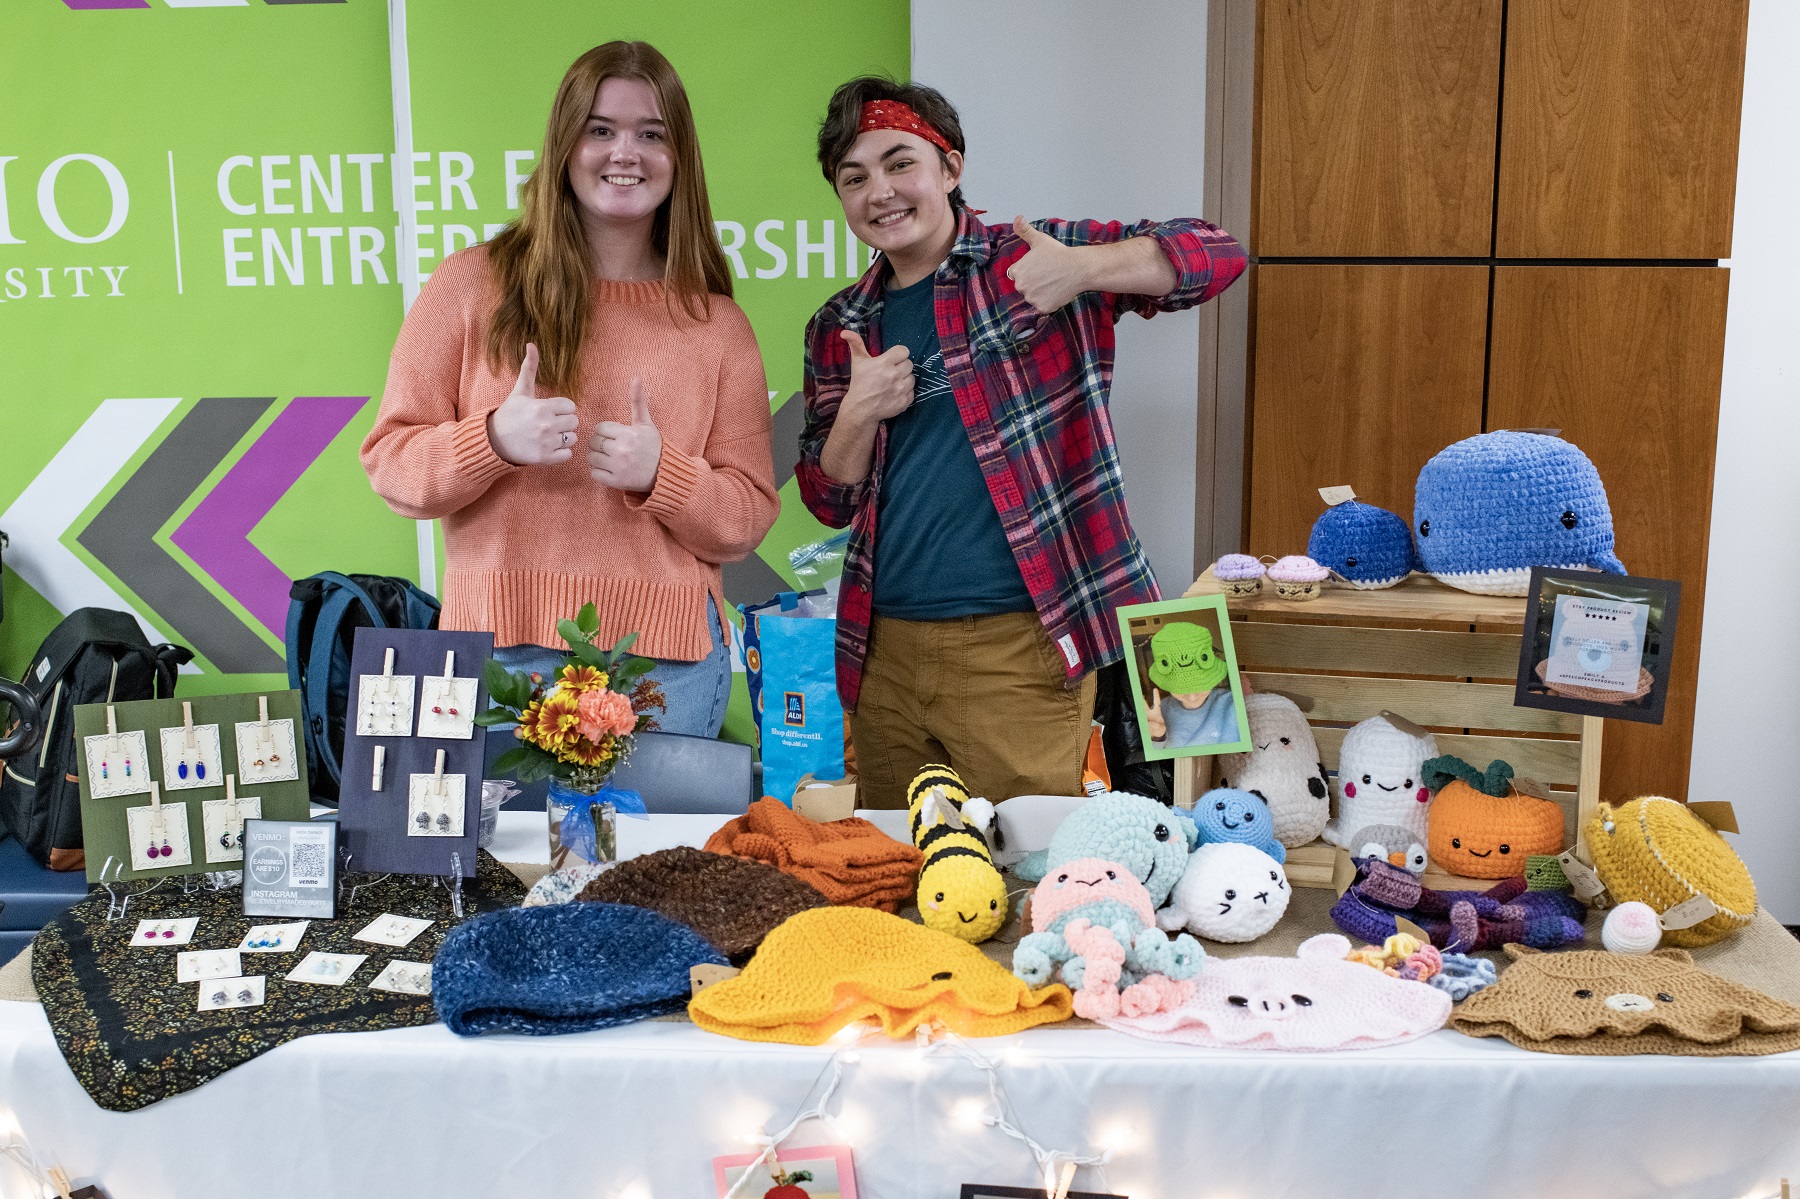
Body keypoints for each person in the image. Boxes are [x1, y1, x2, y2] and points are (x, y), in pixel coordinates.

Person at [796, 78, 1246, 809]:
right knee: (902, 872)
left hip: (1018, 645)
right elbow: (828, 498)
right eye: (854, 177)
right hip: (883, 654)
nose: (879, 191)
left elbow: (1217, 255)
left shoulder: (1031, 259)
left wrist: (1084, 269)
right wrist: (858, 413)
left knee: (1029, 874)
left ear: (950, 168)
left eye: (899, 162)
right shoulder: (839, 323)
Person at [362, 41, 778, 739]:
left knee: (661, 857)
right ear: (564, 145)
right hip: (496, 664)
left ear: (680, 159)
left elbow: (747, 515)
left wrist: (664, 474)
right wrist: (491, 439)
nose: (626, 153)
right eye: (601, 130)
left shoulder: (717, 324)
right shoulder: (471, 284)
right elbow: (392, 465)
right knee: (497, 857)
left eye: (652, 134)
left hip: (663, 672)